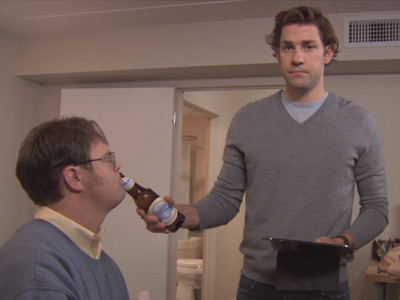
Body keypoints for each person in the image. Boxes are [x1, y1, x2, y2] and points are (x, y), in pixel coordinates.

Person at [138, 6, 388, 299]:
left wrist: (343, 240)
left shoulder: (358, 122)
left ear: (328, 53)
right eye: (288, 47)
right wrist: (178, 216)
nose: (297, 57)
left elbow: (376, 208)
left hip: (324, 285)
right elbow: (224, 200)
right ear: (277, 54)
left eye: (309, 47)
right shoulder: (248, 120)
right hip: (257, 287)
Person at [0, 117, 130, 299]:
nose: (117, 166)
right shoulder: (37, 267)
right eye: (108, 158)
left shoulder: (102, 262)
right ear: (75, 178)